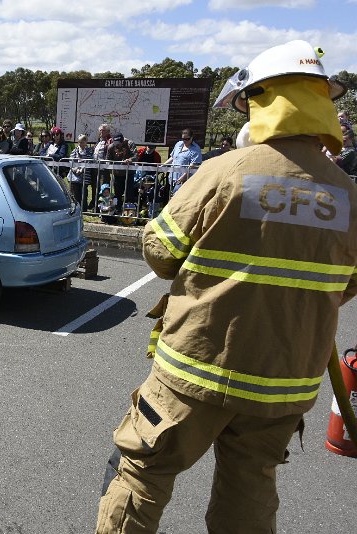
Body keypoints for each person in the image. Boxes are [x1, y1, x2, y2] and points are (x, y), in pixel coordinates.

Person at [94, 40, 356, 533]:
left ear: (261, 101)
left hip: (198, 367)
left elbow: (160, 253)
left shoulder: (226, 171)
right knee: (249, 495)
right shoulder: (348, 194)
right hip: (284, 383)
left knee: (141, 476)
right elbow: (344, 285)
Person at [68, 134, 94, 210]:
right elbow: (71, 160)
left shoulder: (89, 151)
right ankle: (75, 208)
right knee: (75, 193)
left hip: (85, 176)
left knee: (84, 193)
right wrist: (75, 169)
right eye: (79, 142)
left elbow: (90, 161)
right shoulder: (75, 150)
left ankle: (83, 208)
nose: (80, 144)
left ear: (86, 142)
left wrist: (82, 169)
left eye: (82, 142)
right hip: (74, 176)